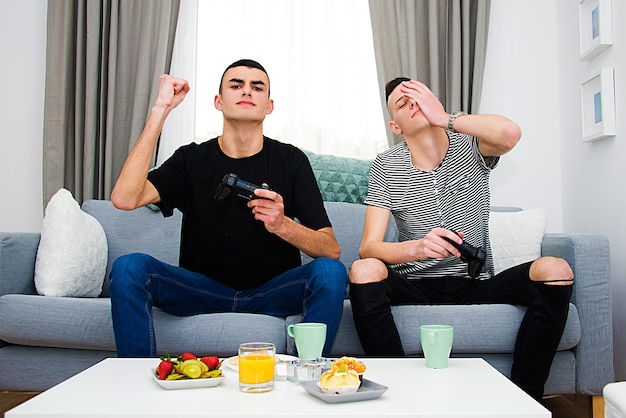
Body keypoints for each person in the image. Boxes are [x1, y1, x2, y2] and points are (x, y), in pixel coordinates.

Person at [348, 77, 573, 400]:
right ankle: (399, 399)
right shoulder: (386, 165)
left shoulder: (471, 145)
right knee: (364, 269)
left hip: (476, 283)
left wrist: (444, 118)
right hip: (415, 286)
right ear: (395, 126)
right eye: (403, 103)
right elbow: (369, 247)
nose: (414, 104)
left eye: (419, 96)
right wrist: (418, 247)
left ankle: (526, 398)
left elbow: (510, 134)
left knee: (556, 268)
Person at [109, 59, 348, 358]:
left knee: (330, 272)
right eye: (236, 85)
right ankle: (135, 383)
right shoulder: (191, 159)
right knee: (129, 267)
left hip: (271, 292)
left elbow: (331, 250)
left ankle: (309, 375)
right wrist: (161, 110)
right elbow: (124, 198)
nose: (246, 91)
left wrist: (283, 225)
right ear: (218, 101)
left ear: (269, 105)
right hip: (201, 291)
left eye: (256, 87)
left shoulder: (291, 160)